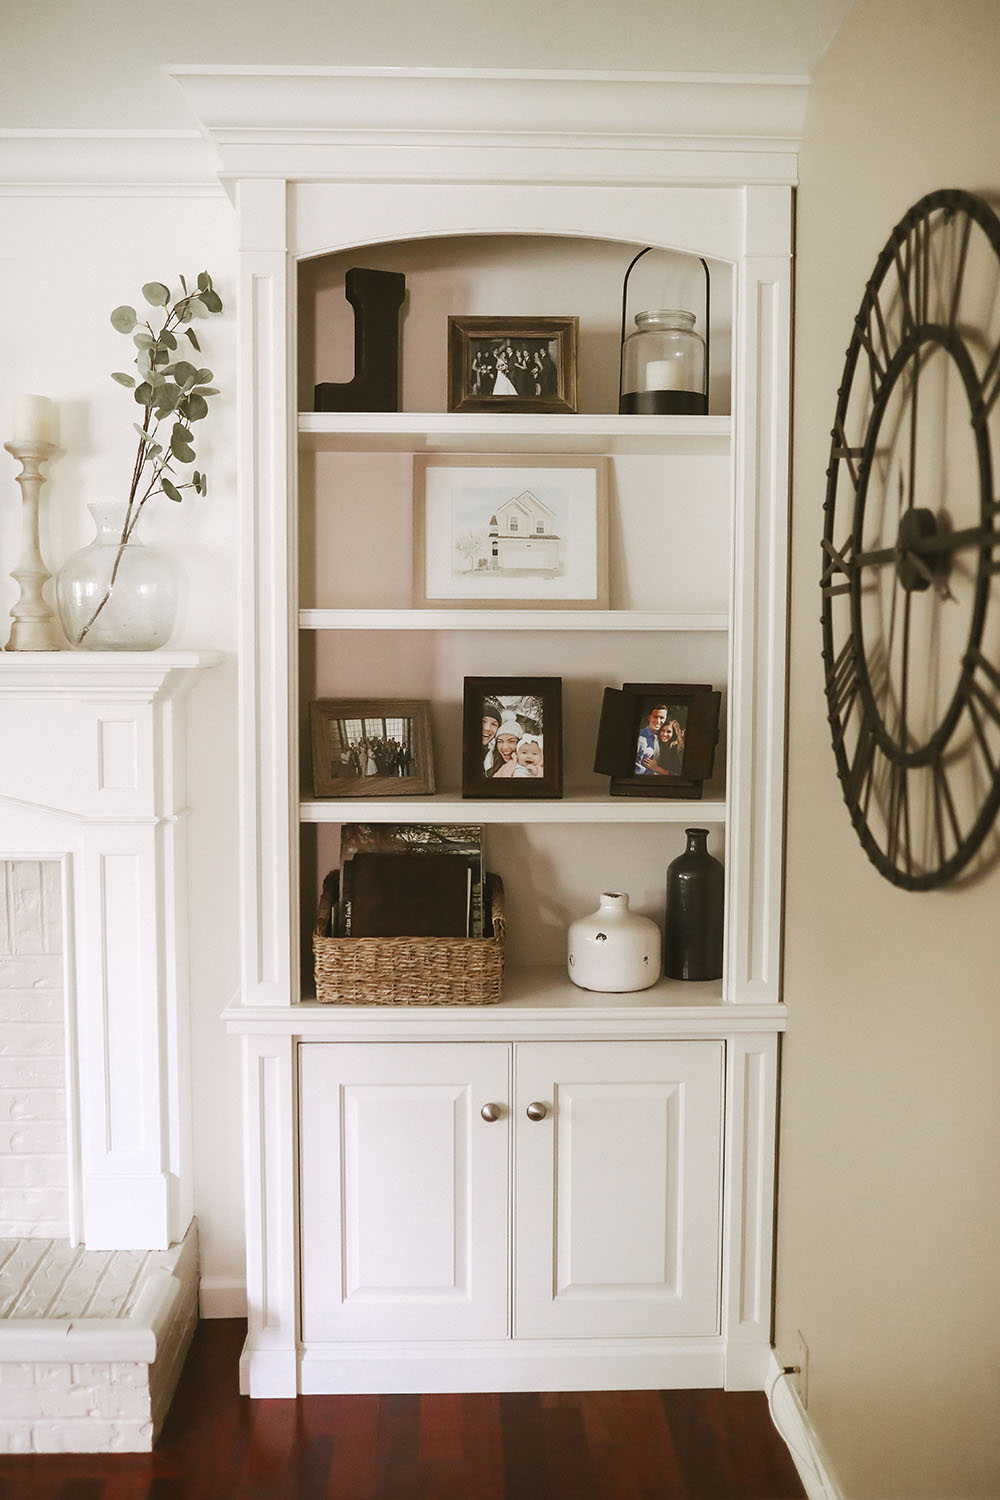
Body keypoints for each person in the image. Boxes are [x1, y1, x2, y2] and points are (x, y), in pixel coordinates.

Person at [635, 704, 668, 774]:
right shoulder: (638, 737)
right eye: (655, 717)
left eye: (662, 718)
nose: (658, 721)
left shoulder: (665, 738)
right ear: (649, 717)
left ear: (665, 719)